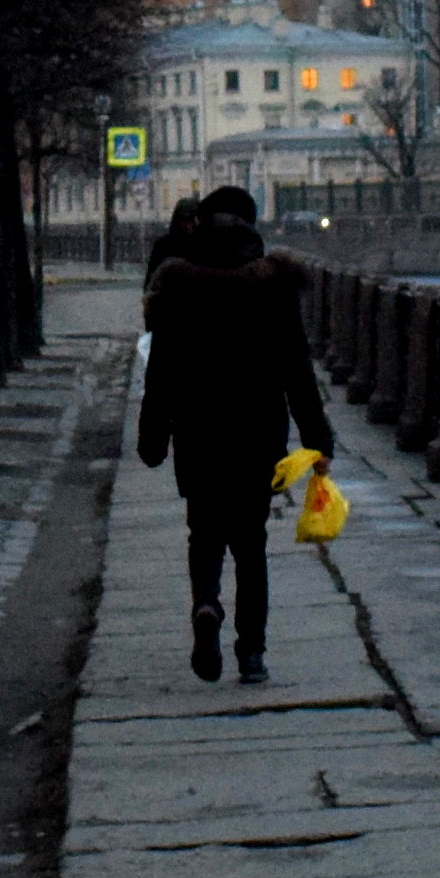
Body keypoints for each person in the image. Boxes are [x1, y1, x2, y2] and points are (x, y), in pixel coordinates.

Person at [132, 194, 328, 682]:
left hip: (197, 432)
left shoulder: (178, 288)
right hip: (257, 434)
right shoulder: (274, 288)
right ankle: (253, 653)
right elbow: (298, 371)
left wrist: (152, 435)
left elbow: (161, 371)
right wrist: (317, 437)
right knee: (251, 544)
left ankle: (206, 604)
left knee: (203, 534)